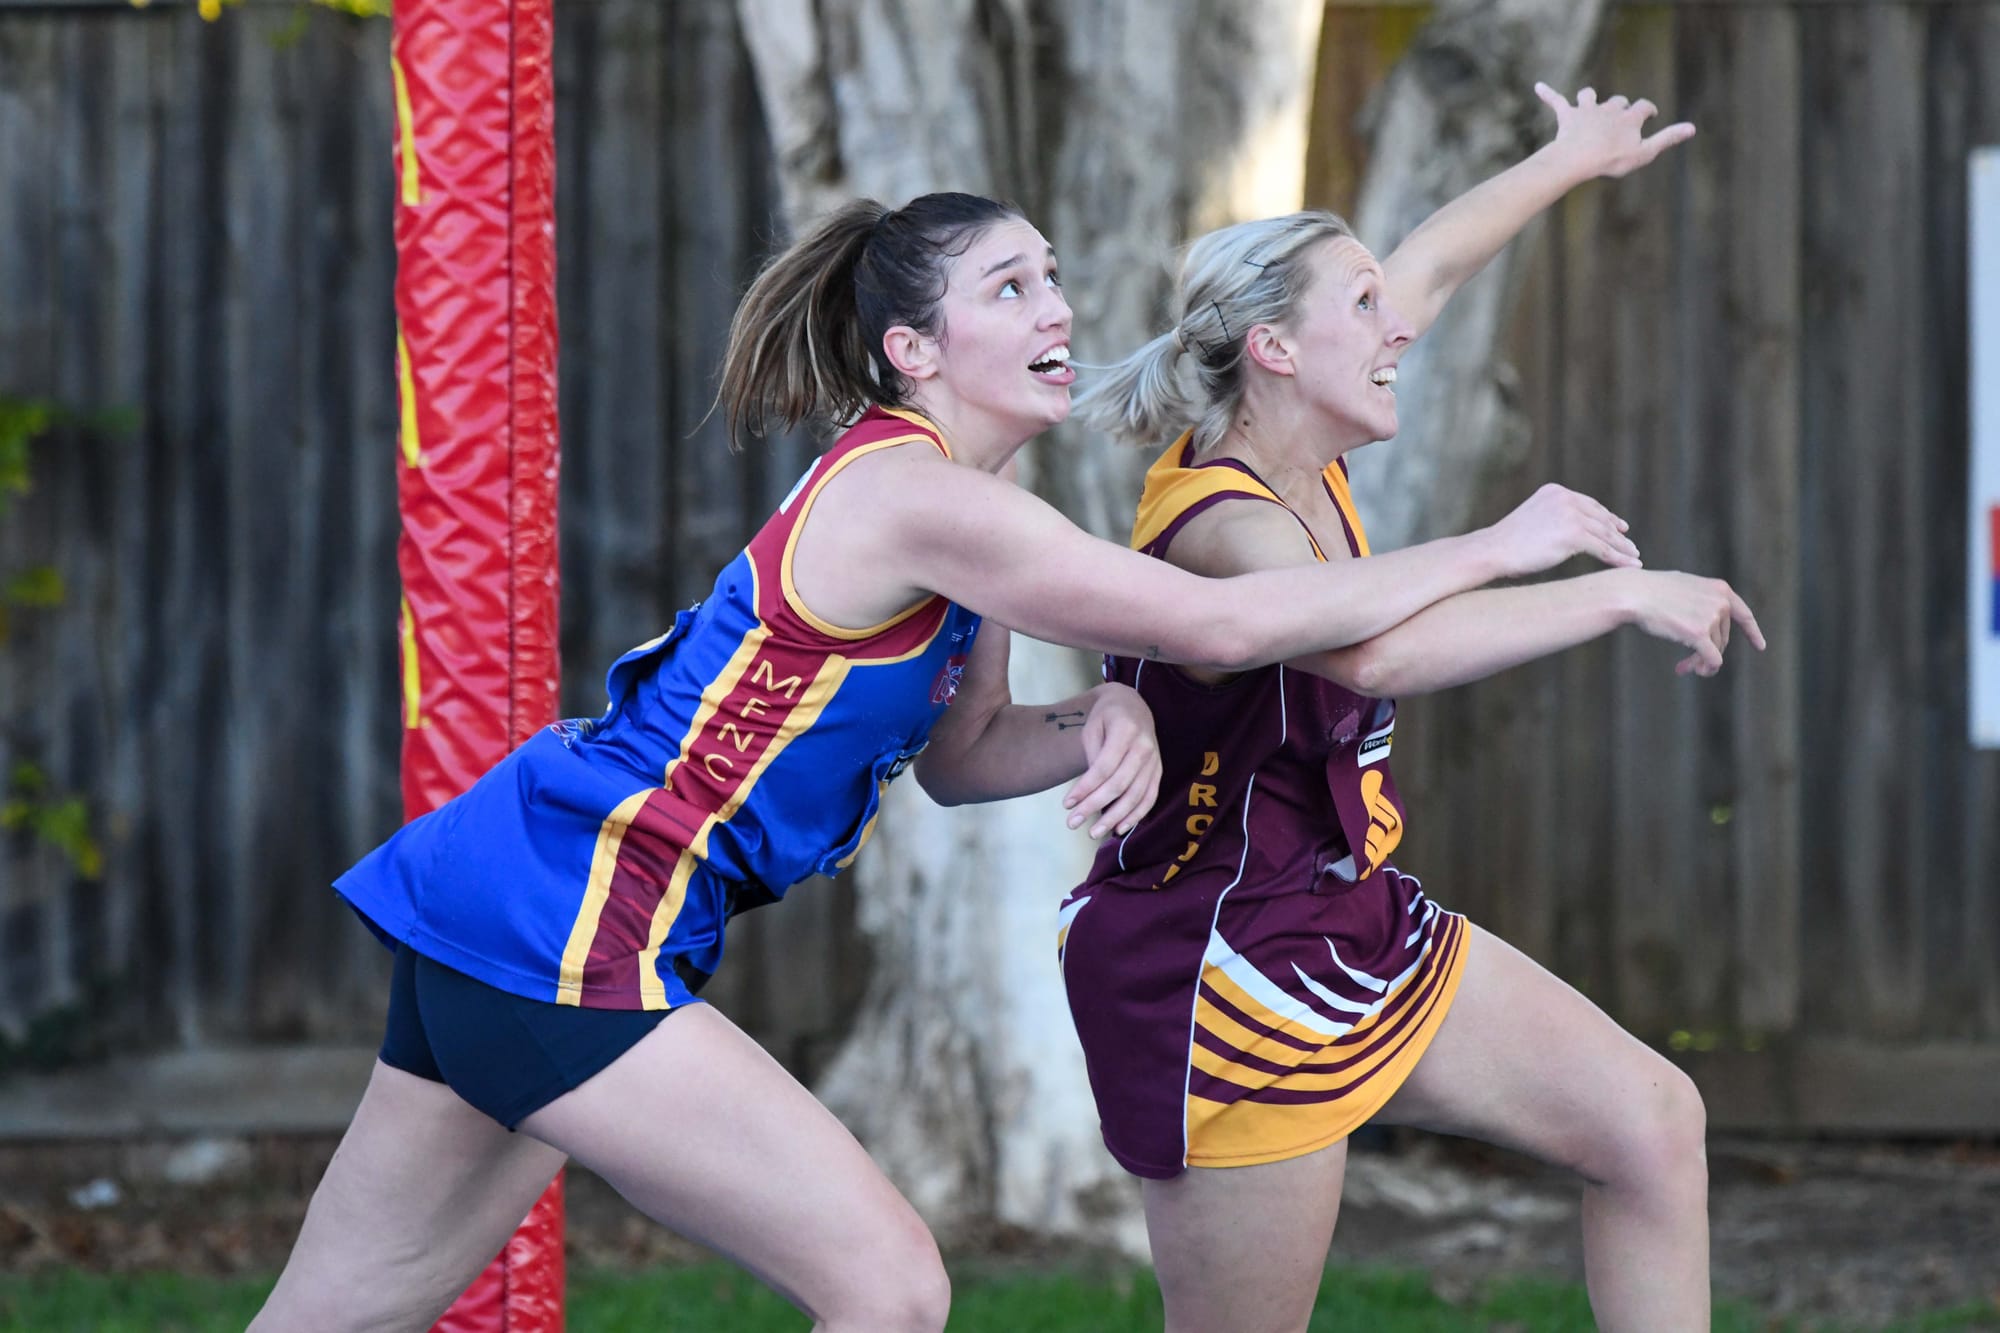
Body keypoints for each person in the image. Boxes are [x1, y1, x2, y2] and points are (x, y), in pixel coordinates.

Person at [251, 189, 1669, 1333]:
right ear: (912, 351)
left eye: (1051, 277)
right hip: (567, 914)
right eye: (1008, 288)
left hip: (526, 894)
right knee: (890, 1288)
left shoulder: (966, 505)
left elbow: (966, 753)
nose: (1056, 309)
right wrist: (1499, 545)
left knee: (344, 1308)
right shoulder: (919, 497)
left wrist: (1104, 717)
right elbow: (1225, 623)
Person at [1060, 86, 1761, 1333]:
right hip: (1222, 959)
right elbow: (1372, 653)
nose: (1398, 326)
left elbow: (1430, 263)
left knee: (1652, 1123)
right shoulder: (1221, 522)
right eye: (1362, 306)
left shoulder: (1303, 447)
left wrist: (1566, 158)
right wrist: (1578, 578)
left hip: (1345, 913)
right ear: (1275, 350)